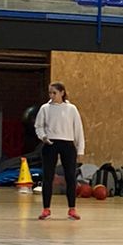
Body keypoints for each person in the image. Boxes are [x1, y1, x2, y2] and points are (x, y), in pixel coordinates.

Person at [35, 81, 86, 221]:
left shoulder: (71, 109)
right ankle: (46, 209)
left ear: (62, 93)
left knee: (70, 176)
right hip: (50, 143)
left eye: (54, 93)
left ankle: (72, 209)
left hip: (67, 144)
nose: (51, 95)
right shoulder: (45, 108)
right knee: (48, 177)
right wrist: (43, 137)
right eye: (50, 93)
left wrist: (80, 150)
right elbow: (38, 126)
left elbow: (78, 130)